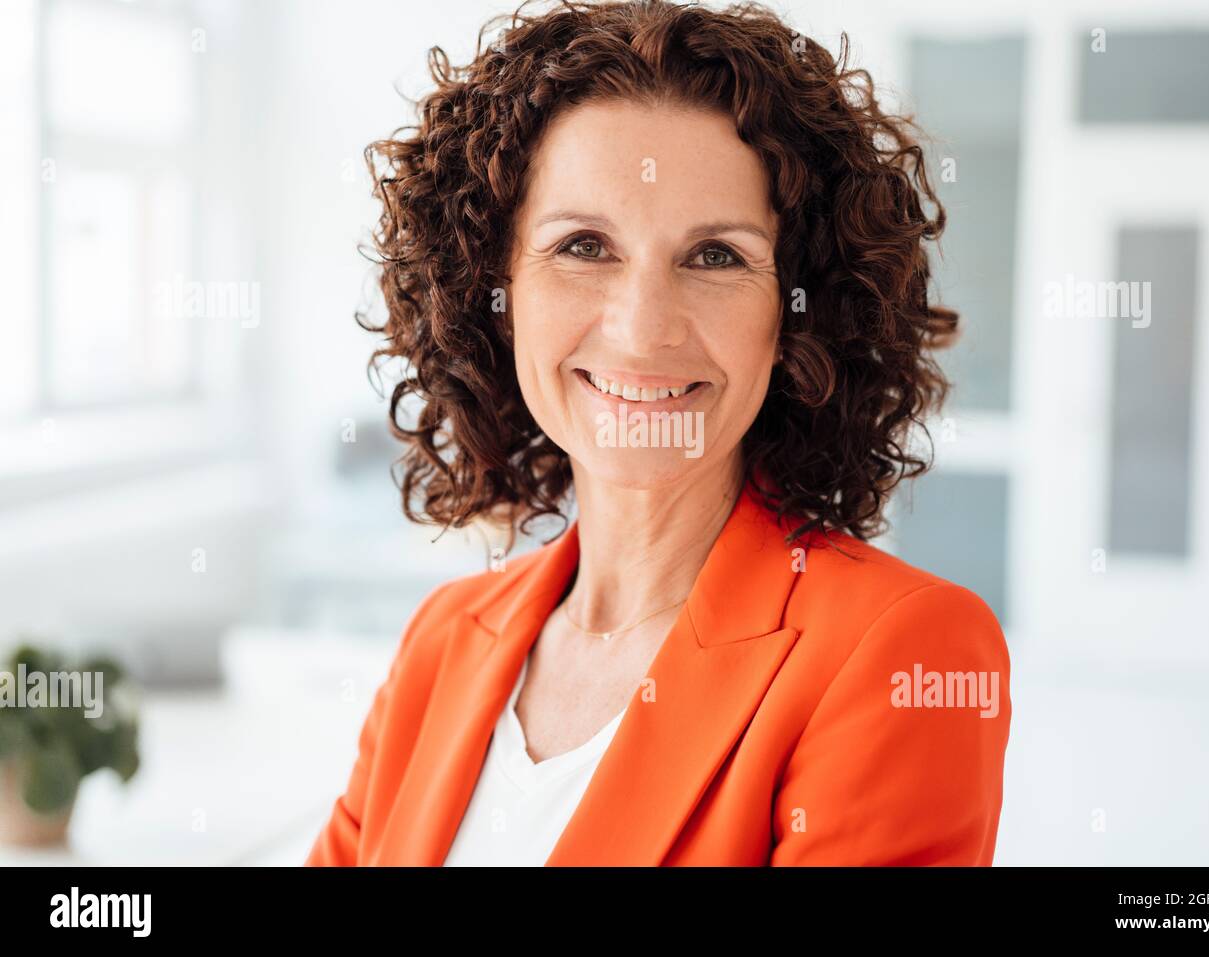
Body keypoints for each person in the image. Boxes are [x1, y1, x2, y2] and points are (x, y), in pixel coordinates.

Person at [306, 0, 1011, 866]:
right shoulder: (443, 638)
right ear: (497, 289)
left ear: (797, 312)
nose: (644, 329)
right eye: (583, 246)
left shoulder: (902, 652)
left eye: (716, 255)